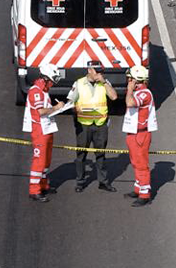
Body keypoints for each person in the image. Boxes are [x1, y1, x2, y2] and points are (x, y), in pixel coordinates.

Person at [68, 60, 118, 193]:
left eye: (101, 71)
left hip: (100, 124)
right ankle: (80, 181)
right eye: (97, 71)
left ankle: (103, 181)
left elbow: (113, 96)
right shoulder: (79, 83)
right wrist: (77, 108)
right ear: (89, 70)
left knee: (100, 154)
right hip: (84, 125)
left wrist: (104, 82)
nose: (100, 74)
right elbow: (70, 102)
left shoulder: (104, 83)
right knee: (81, 154)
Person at [23, 63, 65, 203]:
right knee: (39, 161)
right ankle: (34, 190)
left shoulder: (44, 91)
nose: (53, 83)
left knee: (46, 160)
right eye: (52, 80)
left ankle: (43, 184)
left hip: (48, 128)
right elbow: (41, 111)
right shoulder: (36, 91)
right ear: (45, 78)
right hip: (40, 130)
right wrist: (56, 107)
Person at [122, 65, 157, 207]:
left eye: (130, 79)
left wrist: (130, 89)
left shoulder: (144, 93)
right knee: (135, 162)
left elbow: (130, 103)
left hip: (140, 134)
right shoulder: (138, 92)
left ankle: (144, 194)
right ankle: (138, 188)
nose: (128, 81)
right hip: (133, 133)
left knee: (142, 165)